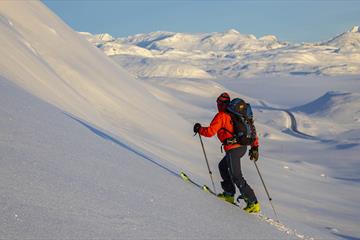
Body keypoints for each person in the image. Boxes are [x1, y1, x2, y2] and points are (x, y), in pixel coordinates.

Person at [193, 92, 260, 213]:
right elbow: (251, 130)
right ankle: (229, 193)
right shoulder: (237, 115)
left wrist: (199, 129)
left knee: (236, 176)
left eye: (218, 103)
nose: (218, 105)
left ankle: (253, 202)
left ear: (220, 104)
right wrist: (255, 147)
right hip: (242, 148)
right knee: (222, 166)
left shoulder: (222, 116)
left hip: (233, 149)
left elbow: (209, 132)